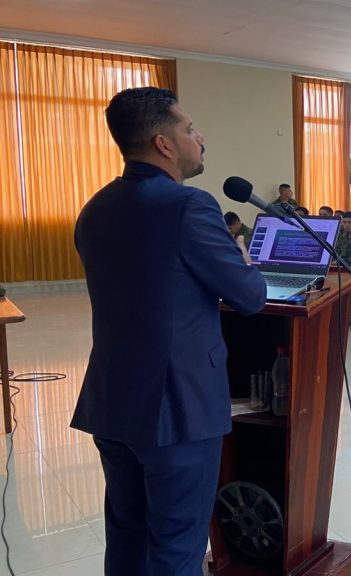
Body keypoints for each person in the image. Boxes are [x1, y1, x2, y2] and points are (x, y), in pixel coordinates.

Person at [73, 87, 267, 574]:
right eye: (189, 128)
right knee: (177, 548)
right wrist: (243, 261)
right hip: (177, 409)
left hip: (112, 403)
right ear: (163, 143)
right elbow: (250, 296)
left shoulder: (94, 208)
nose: (199, 138)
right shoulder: (188, 206)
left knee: (127, 536)